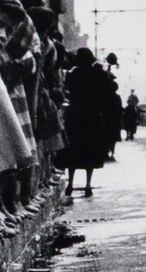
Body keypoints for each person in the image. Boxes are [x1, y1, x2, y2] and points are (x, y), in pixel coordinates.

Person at [58, 46, 110, 200]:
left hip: (75, 115)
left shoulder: (73, 74)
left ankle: (71, 184)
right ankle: (88, 185)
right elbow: (105, 94)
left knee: (73, 150)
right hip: (92, 117)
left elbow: (67, 91)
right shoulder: (98, 74)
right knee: (90, 152)